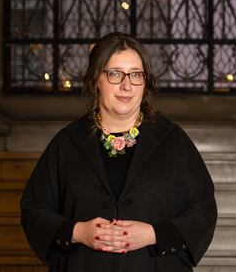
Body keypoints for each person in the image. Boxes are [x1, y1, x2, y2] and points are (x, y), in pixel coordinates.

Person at [20, 32, 217, 272]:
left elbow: (203, 210)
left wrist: (154, 234)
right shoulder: (67, 142)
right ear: (95, 80)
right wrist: (78, 232)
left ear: (145, 83)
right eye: (115, 74)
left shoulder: (172, 140)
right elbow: (34, 211)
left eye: (136, 75)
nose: (126, 85)